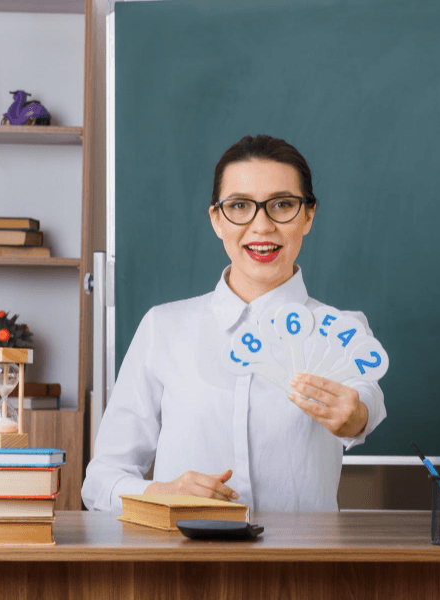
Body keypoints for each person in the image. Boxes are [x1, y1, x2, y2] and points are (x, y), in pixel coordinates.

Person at [81, 134, 386, 513]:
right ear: (216, 219)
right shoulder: (164, 328)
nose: (261, 226)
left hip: (303, 567)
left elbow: (366, 398)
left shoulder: (339, 330)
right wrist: (157, 494)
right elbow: (101, 481)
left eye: (282, 205)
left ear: (308, 216)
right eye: (240, 206)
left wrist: (356, 417)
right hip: (184, 564)